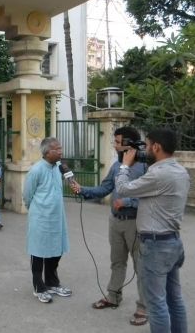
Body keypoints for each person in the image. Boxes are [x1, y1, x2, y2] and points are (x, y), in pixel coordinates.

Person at [70, 126, 147, 326]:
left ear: (129, 143)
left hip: (136, 223)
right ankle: (113, 296)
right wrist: (83, 189)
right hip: (115, 221)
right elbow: (105, 188)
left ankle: (144, 307)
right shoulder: (116, 166)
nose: (114, 145)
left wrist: (128, 202)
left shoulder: (145, 167)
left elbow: (151, 199)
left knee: (142, 266)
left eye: (117, 141)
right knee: (117, 262)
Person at [116, 128, 190, 333]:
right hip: (173, 242)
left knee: (156, 305)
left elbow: (123, 189)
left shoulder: (158, 174)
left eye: (147, 146)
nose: (145, 150)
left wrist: (124, 166)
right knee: (174, 299)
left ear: (156, 147)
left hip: (156, 246)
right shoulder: (180, 171)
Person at [23, 137, 71, 303]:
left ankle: (52, 282)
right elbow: (27, 195)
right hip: (41, 217)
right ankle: (39, 287)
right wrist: (37, 210)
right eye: (57, 149)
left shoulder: (59, 167)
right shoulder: (36, 170)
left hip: (57, 217)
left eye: (60, 148)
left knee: (55, 250)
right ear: (47, 152)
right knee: (38, 251)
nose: (61, 152)